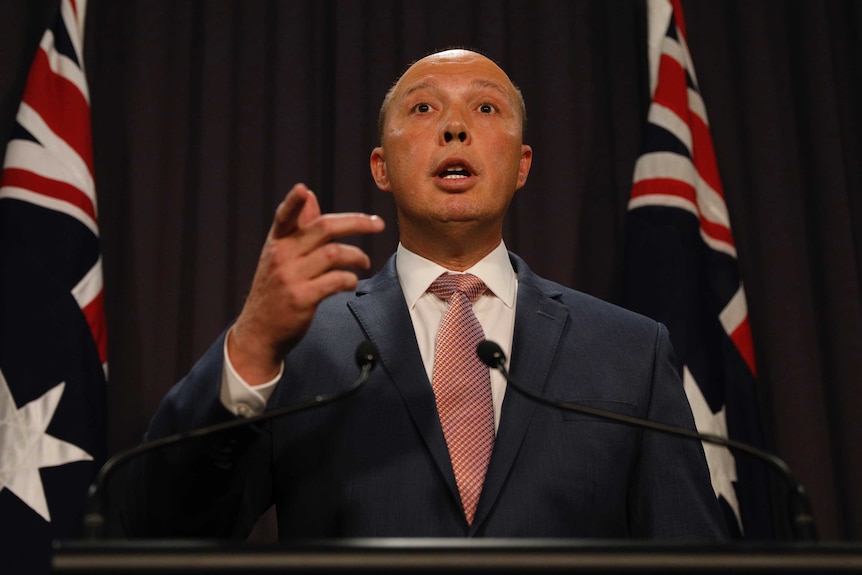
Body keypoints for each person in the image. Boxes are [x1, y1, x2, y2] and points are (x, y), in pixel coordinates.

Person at [122, 49, 727, 539]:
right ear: (381, 168)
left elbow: (689, 555)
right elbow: (166, 527)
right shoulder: (303, 341)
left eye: (485, 108)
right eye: (423, 108)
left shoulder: (629, 349)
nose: (456, 126)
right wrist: (251, 345)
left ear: (522, 164)